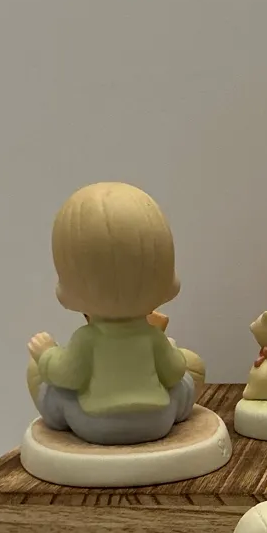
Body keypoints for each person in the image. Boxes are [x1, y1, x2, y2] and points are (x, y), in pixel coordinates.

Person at [25, 182, 196, 445]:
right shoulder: (152, 337)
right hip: (158, 420)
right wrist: (173, 352)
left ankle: (57, 417)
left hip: (95, 424)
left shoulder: (87, 339)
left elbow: (67, 375)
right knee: (183, 384)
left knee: (53, 389)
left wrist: (45, 355)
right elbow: (173, 372)